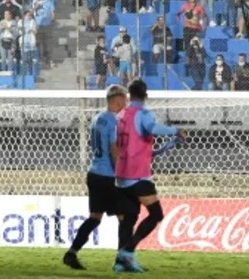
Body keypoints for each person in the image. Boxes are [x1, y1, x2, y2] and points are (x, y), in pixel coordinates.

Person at [113, 79, 185, 273]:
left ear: (129, 95)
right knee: (156, 214)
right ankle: (127, 252)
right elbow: (152, 128)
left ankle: (120, 263)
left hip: (121, 176)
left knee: (128, 219)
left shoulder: (121, 115)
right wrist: (175, 130)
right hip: (138, 176)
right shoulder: (143, 114)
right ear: (146, 96)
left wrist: (166, 147)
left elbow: (136, 147)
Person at [63, 85, 133, 270]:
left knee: (95, 217)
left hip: (93, 173)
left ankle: (72, 252)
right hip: (108, 176)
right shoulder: (114, 121)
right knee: (125, 216)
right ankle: (122, 260)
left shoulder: (96, 119)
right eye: (124, 100)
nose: (126, 103)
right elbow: (113, 149)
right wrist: (123, 173)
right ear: (118, 100)